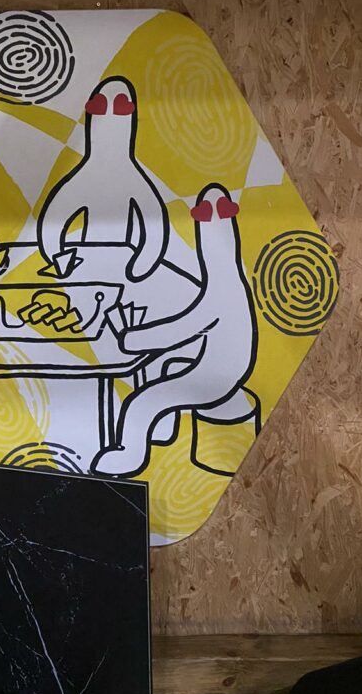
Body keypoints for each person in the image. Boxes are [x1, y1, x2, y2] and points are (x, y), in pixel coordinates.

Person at [91, 183, 258, 477]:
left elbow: (177, 331)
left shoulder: (219, 296)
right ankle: (163, 430)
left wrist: (130, 339)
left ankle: (129, 456)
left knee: (140, 403)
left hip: (217, 380)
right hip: (225, 369)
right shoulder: (232, 286)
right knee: (166, 365)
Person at [38, 76, 168, 281]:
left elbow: (154, 223)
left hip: (121, 260)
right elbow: (54, 217)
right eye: (102, 108)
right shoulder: (83, 177)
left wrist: (143, 262)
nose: (110, 116)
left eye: (119, 109)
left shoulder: (132, 177)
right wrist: (55, 254)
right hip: (84, 261)